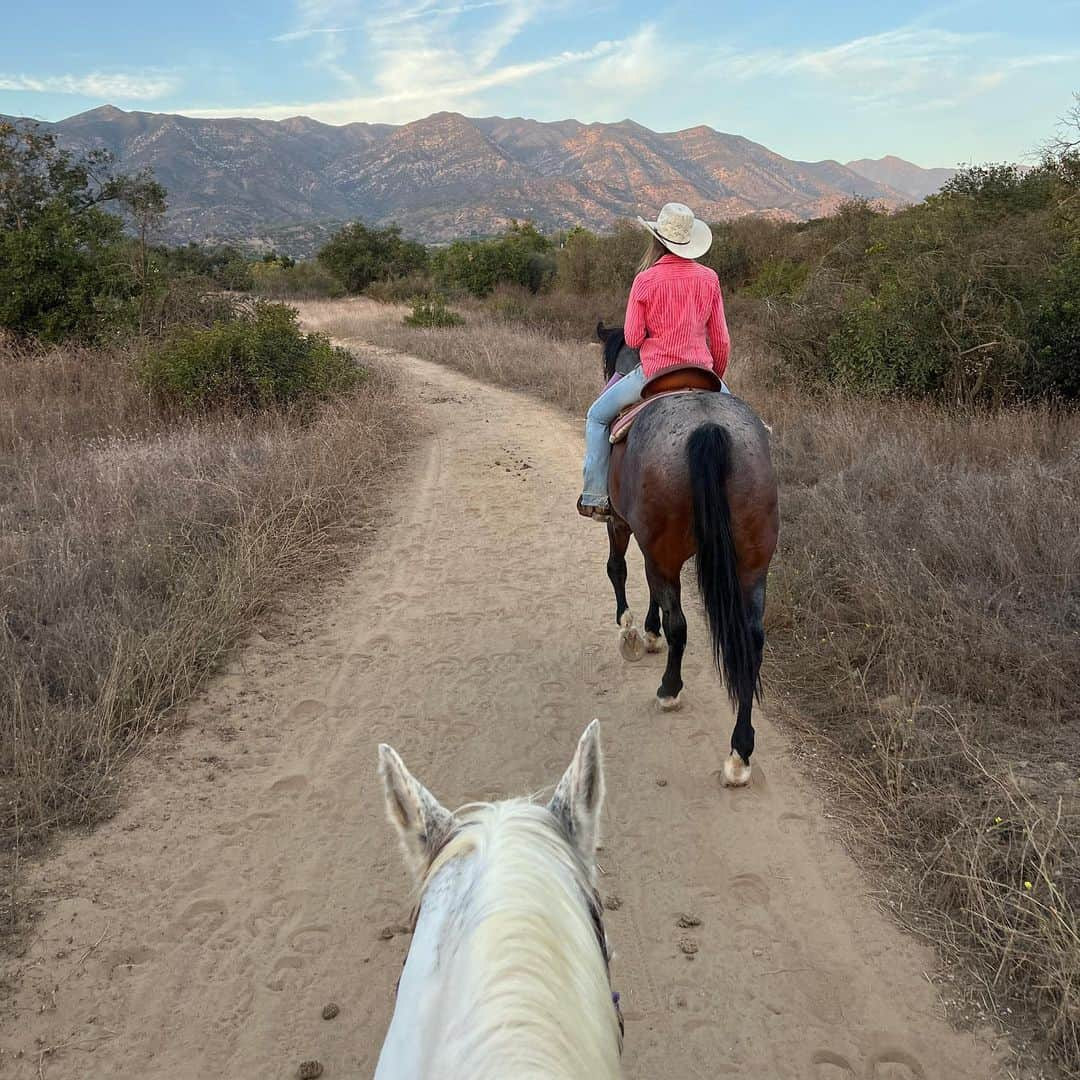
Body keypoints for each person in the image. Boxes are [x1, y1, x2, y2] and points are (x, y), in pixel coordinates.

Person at [577, 202, 731, 521]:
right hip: (703, 374)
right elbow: (722, 341)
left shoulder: (645, 281)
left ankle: (595, 496)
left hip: (654, 375)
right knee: (745, 423)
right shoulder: (710, 278)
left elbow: (632, 339)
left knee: (596, 417)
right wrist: (715, 377)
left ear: (658, 239)